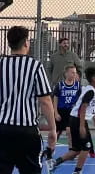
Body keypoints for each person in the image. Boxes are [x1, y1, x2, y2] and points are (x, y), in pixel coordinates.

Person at [0, 26, 56, 173]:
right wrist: (53, 129)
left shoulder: (0, 65)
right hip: (27, 131)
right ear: (26, 43)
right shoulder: (35, 66)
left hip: (3, 128)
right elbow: (45, 100)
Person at [48, 67, 95, 174]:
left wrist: (93, 116)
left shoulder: (89, 89)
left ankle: (54, 163)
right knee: (86, 147)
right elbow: (82, 107)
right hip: (78, 120)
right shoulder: (90, 91)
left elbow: (87, 107)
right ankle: (77, 171)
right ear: (94, 78)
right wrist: (82, 126)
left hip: (75, 119)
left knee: (76, 150)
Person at [53, 65, 81, 150]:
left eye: (75, 73)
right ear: (66, 73)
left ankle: (71, 149)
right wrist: (56, 112)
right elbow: (55, 99)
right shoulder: (60, 85)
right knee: (57, 132)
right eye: (72, 72)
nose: (74, 74)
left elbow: (80, 99)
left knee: (69, 131)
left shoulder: (78, 86)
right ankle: (51, 149)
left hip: (71, 112)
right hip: (61, 111)